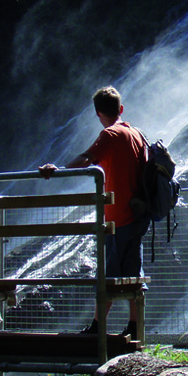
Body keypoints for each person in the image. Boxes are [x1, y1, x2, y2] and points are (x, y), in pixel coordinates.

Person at [39, 86, 149, 338]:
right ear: (121, 109)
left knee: (107, 276)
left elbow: (87, 158)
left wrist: (59, 170)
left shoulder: (109, 135)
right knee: (134, 276)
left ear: (98, 113)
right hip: (137, 215)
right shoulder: (137, 134)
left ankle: (98, 329)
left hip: (116, 217)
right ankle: (135, 328)